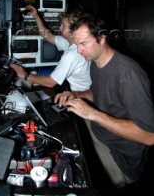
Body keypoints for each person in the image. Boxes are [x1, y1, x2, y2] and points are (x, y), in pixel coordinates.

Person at [54, 13, 154, 187]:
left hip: (120, 159)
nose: (79, 51)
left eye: (84, 43)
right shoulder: (96, 62)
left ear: (102, 38)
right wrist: (76, 95)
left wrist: (92, 113)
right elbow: (97, 93)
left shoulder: (128, 74)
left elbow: (149, 136)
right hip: (101, 133)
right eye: (77, 44)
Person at [10, 5, 91, 91]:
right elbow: (48, 36)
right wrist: (36, 16)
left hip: (80, 95)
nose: (60, 27)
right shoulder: (70, 42)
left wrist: (25, 75)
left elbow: (51, 82)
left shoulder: (72, 55)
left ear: (74, 29)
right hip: (70, 86)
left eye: (63, 25)